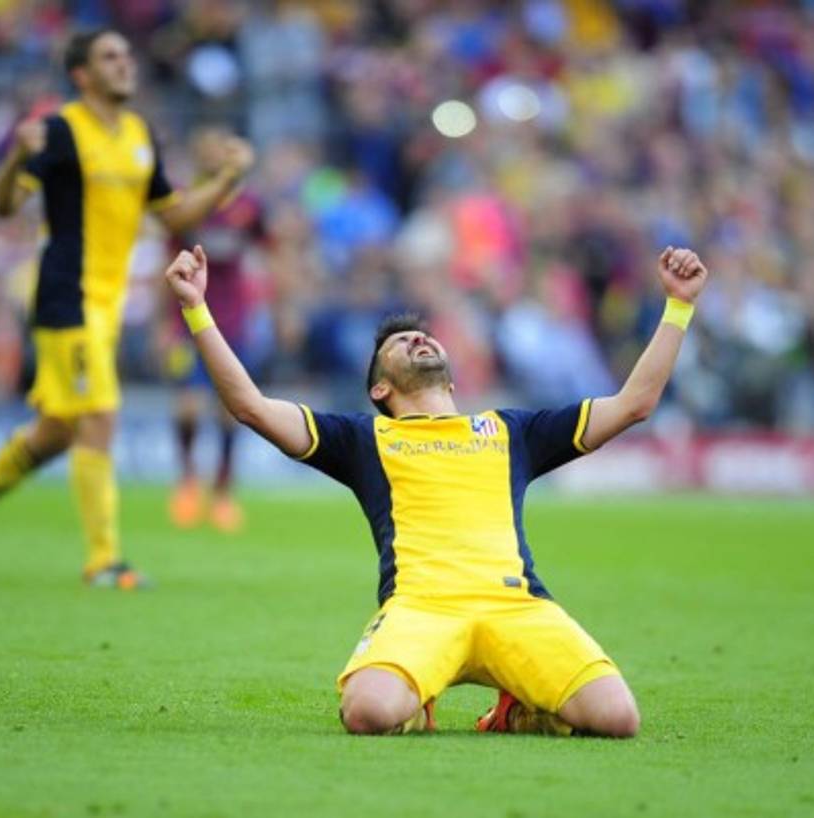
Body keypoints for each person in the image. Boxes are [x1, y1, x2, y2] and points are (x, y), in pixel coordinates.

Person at [164, 239, 710, 736]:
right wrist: (196, 308)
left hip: (515, 606)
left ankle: (515, 709)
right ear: (380, 386)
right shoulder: (365, 438)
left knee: (618, 720)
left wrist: (678, 306)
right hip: (421, 609)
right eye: (400, 343)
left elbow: (634, 404)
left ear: (451, 379)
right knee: (367, 713)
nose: (418, 338)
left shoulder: (510, 430)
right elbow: (249, 407)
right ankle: (416, 696)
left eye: (422, 336)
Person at [0, 29, 254, 588]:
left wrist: (227, 179)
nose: (125, 64)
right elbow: (3, 205)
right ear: (82, 75)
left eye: (127, 54)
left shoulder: (139, 135)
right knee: (100, 413)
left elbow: (172, 216)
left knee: (57, 431)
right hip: (64, 296)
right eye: (110, 57)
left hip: (108, 302)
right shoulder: (57, 132)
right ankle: (104, 559)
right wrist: (13, 160)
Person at [164, 129, 266, 532]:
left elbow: (271, 247)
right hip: (185, 321)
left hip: (233, 320)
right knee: (188, 406)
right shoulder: (185, 205)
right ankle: (188, 479)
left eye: (219, 150)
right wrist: (161, 323)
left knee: (229, 412)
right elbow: (165, 260)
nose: (212, 157)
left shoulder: (248, 207)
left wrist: (277, 306)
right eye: (205, 150)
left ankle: (223, 491)